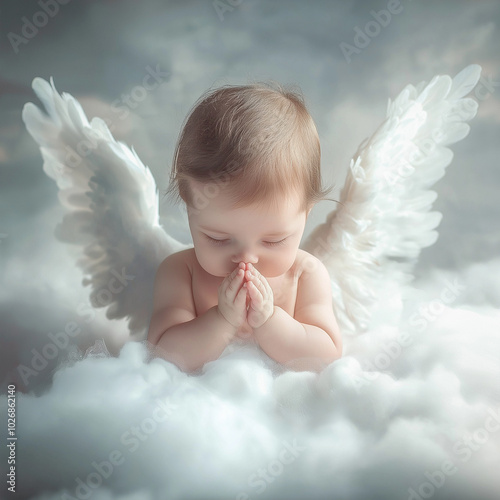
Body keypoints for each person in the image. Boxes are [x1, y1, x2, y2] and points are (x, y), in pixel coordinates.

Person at [147, 82, 342, 373]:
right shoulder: (180, 272)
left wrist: (269, 322)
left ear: (306, 213)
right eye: (218, 238)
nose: (246, 257)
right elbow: (162, 354)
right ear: (190, 211)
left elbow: (327, 355)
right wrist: (222, 320)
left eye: (274, 241)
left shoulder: (306, 275)